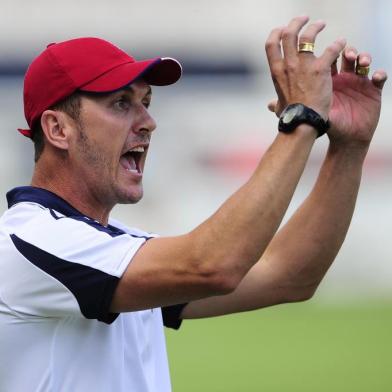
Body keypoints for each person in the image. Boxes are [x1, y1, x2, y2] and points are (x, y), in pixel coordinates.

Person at [0, 15, 387, 392]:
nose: (148, 120)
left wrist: (348, 149)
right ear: (57, 129)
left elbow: (287, 275)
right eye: (121, 103)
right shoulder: (31, 241)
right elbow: (212, 266)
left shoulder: (105, 247)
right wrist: (301, 120)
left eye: (146, 101)